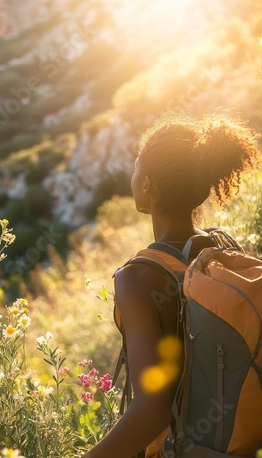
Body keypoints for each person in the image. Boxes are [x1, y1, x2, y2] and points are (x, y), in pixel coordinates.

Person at [82, 112, 261, 458]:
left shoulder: (136, 278)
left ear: (147, 183)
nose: (132, 178)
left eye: (136, 169)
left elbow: (153, 408)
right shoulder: (222, 254)